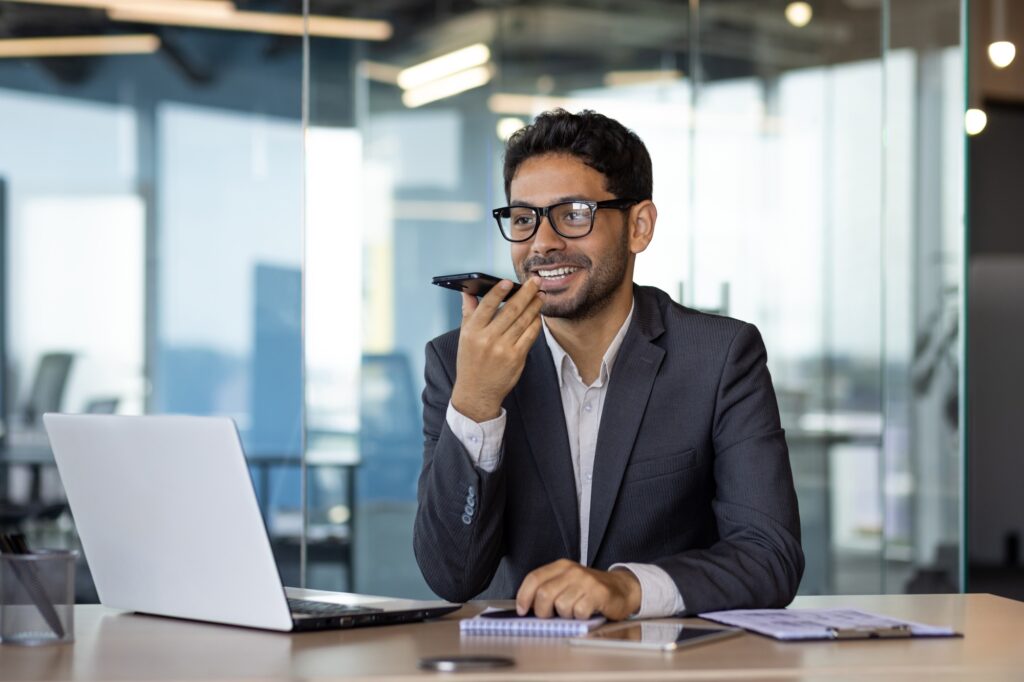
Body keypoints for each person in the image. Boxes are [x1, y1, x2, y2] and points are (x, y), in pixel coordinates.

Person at [414, 109, 803, 620]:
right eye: (525, 218)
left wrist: (627, 589)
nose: (542, 242)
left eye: (574, 214)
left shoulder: (719, 356)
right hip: (524, 668)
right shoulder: (458, 362)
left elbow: (769, 556)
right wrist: (477, 403)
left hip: (672, 669)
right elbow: (452, 576)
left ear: (639, 226)